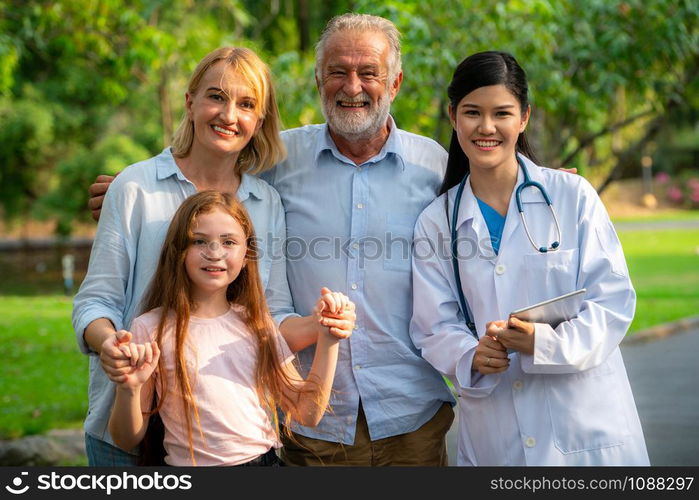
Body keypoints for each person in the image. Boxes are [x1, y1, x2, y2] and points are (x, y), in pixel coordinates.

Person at [88, 14, 463, 467]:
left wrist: (540, 186)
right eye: (338, 72)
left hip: (407, 415)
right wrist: (128, 191)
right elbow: (208, 170)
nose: (352, 86)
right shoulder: (280, 165)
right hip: (280, 427)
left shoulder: (432, 165)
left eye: (369, 73)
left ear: (396, 82)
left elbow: (484, 204)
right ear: (318, 79)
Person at [73, 47, 354, 466]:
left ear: (260, 120)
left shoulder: (265, 203)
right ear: (190, 101)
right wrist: (111, 343)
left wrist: (322, 327)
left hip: (227, 441)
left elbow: (270, 314)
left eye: (246, 104)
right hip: (129, 427)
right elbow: (96, 301)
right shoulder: (135, 188)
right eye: (216, 97)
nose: (228, 115)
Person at [409, 51, 649, 465]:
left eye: (502, 113)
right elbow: (433, 326)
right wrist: (469, 355)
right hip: (495, 434)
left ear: (523, 118)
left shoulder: (572, 197)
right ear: (452, 117)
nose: (486, 127)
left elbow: (612, 302)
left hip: (585, 428)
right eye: (472, 113)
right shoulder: (436, 221)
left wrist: (546, 343)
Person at [105, 191, 353, 466]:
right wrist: (128, 389)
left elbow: (308, 412)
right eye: (199, 241)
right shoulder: (151, 328)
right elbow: (127, 439)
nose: (214, 253)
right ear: (178, 251)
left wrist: (329, 337)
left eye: (228, 242)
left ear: (246, 254)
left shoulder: (257, 324)